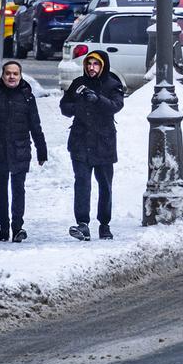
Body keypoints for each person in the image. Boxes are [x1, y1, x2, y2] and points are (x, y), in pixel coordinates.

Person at [0, 60, 46, 242]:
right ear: (3, 76)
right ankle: (4, 226)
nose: (11, 77)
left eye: (15, 73)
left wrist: (42, 151)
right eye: (8, 73)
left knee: (18, 189)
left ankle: (17, 227)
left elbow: (35, 126)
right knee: (0, 190)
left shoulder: (28, 97)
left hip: (20, 149)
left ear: (20, 76)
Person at [59, 51, 125, 241]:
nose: (91, 67)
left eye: (96, 64)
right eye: (89, 63)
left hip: (104, 143)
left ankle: (104, 224)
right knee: (82, 183)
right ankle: (82, 224)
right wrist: (79, 105)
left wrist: (98, 99)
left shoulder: (112, 84)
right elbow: (65, 107)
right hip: (80, 142)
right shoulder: (79, 83)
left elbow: (116, 105)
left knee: (105, 185)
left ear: (103, 66)